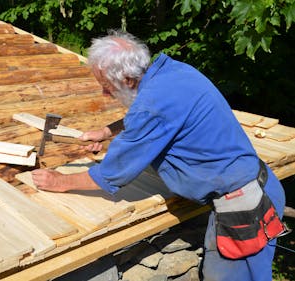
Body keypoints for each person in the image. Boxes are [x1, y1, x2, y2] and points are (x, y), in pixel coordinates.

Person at [31, 30, 286, 281]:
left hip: (243, 210)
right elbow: (156, 114)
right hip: (260, 187)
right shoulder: (173, 72)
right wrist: (107, 131)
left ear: (129, 80)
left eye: (107, 87)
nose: (104, 94)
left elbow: (112, 173)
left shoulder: (151, 107)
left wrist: (59, 181)